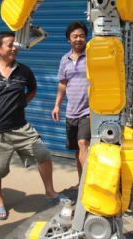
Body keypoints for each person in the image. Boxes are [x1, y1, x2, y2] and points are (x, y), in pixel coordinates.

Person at [0, 31, 64, 221]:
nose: (14, 47)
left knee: (43, 154)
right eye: (9, 44)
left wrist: (22, 102)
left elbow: (33, 89)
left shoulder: (24, 71)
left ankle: (50, 191)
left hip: (21, 128)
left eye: (15, 44)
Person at [52, 21, 91, 188]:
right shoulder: (64, 60)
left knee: (84, 144)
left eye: (82, 36)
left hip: (89, 110)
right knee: (77, 150)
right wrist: (57, 105)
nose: (78, 39)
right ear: (69, 39)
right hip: (71, 111)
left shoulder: (92, 55)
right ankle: (81, 181)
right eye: (75, 36)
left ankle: (87, 185)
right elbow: (62, 83)